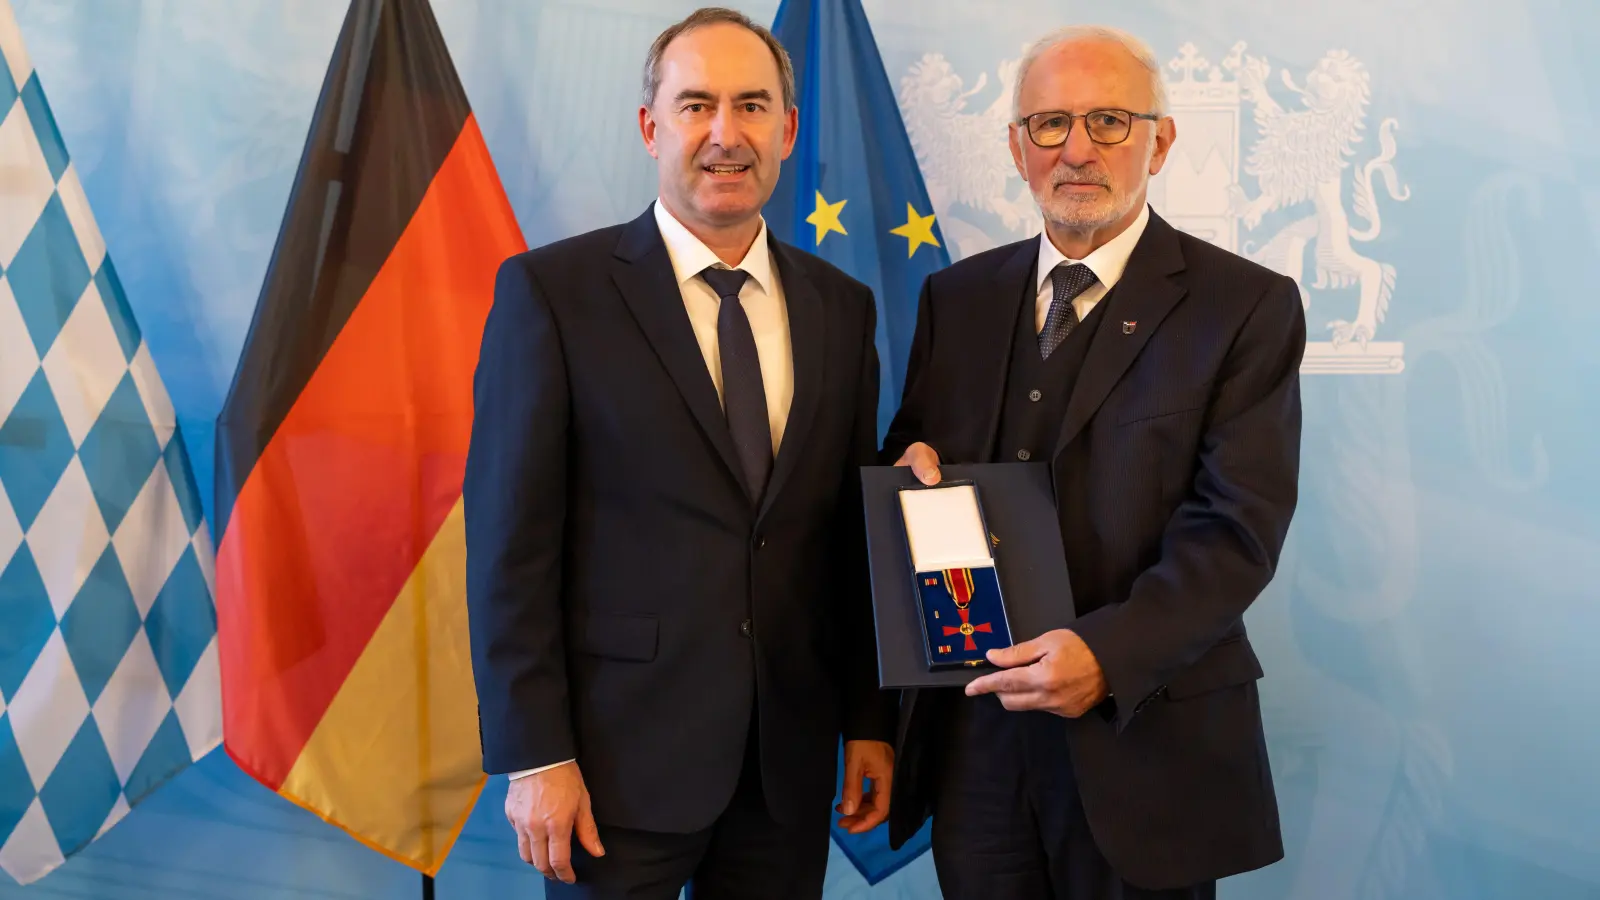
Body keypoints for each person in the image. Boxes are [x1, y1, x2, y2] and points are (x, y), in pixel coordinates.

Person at [462, 8, 896, 898]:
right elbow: (510, 546)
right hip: (613, 768)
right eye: (696, 105)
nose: (725, 135)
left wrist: (869, 720)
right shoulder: (553, 294)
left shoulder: (841, 308)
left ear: (788, 128)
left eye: (750, 106)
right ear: (650, 126)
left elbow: (844, 539)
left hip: (787, 765)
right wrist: (536, 753)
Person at [881, 24, 1304, 900]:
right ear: (1015, 146)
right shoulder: (955, 298)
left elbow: (1237, 532)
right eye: (1049, 124)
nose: (1077, 149)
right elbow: (916, 459)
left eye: (1110, 121)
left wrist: (1105, 654)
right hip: (977, 749)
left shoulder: (1245, 307)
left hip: (1145, 737)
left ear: (1162, 140)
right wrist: (907, 466)